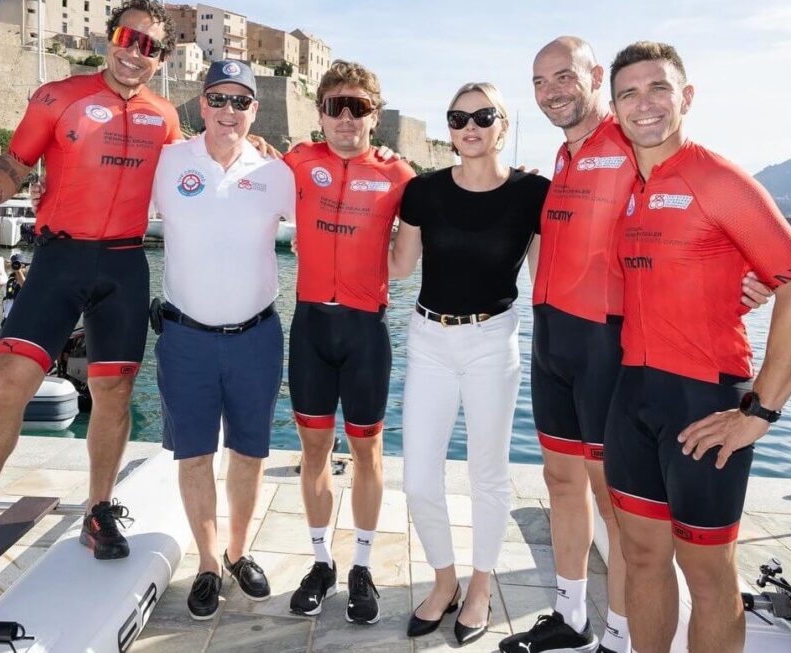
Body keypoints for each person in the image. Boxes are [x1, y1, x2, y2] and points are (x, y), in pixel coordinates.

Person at [500, 37, 774, 653]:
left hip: (608, 343)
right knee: (559, 481)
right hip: (551, 340)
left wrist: (743, 277)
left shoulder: (632, 144)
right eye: (541, 81)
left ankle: (621, 637)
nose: (553, 91)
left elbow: (705, 219)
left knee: (618, 504)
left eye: (565, 76)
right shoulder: (566, 154)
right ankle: (572, 619)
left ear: (596, 78)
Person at [0, 0, 181, 583]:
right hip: (59, 257)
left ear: (161, 59)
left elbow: (195, 169)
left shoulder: (165, 118)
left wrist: (257, 153)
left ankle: (98, 509)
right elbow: (15, 162)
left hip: (124, 262)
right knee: (7, 381)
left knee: (113, 390)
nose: (136, 52)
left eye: (151, 46)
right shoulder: (58, 96)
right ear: (110, 38)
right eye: (128, 37)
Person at [603, 41, 791, 652]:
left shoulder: (718, 179)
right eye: (628, 93)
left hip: (702, 399)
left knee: (707, 576)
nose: (643, 104)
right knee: (641, 557)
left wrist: (760, 412)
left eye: (658, 88)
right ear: (614, 107)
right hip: (632, 397)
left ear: (687, 97)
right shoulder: (631, 185)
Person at [390, 82, 549, 646]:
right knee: (417, 478)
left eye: (484, 115)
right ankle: (444, 578)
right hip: (429, 339)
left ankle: (480, 584)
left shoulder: (534, 193)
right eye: (458, 118)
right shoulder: (422, 191)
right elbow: (399, 267)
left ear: (503, 125)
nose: (470, 126)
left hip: (492, 340)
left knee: (488, 473)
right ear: (450, 129)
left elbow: (547, 278)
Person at [150, 60, 294, 621]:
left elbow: (331, 228)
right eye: (218, 99)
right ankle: (209, 562)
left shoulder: (276, 173)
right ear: (200, 103)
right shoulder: (167, 164)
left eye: (240, 101)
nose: (228, 111)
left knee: (250, 453)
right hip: (185, 337)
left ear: (255, 109)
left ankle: (239, 550)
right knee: (194, 455)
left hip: (257, 336)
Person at [283, 60, 416, 624]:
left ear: (374, 115)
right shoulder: (296, 161)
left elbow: (410, 258)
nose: (345, 117)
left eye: (356, 107)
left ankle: (361, 565)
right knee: (313, 452)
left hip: (365, 331)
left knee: (367, 453)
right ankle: (320, 562)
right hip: (311, 325)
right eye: (334, 106)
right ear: (319, 114)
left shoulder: (398, 174)